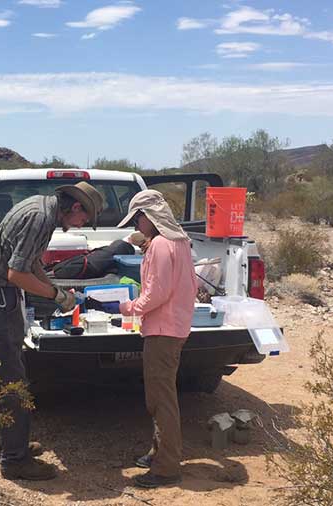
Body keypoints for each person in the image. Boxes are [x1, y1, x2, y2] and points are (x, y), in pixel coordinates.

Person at [0, 181, 104, 481]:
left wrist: (52, 288)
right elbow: (15, 273)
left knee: (10, 370)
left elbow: (30, 263)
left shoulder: (43, 209)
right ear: (76, 207)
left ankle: (10, 443)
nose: (84, 224)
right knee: (10, 377)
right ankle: (15, 461)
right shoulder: (41, 217)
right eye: (85, 219)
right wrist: (54, 296)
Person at [117, 189, 198, 489]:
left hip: (162, 331)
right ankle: (159, 453)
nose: (136, 225)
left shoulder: (162, 245)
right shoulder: (179, 242)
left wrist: (128, 307)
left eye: (138, 218)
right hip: (174, 327)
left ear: (149, 217)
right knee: (161, 396)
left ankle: (166, 468)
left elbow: (156, 293)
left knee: (161, 399)